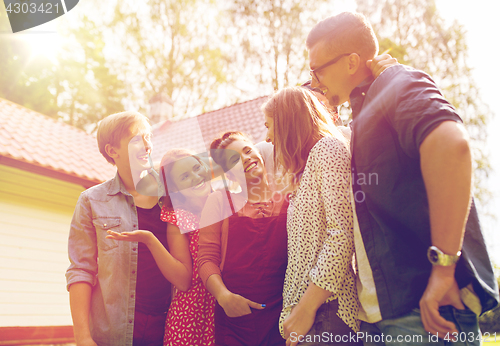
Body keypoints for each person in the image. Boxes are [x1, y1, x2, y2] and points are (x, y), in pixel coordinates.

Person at [305, 11, 499, 345]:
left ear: (351, 62)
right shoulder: (367, 110)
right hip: (391, 316)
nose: (314, 79)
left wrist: (443, 268)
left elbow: (452, 147)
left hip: (424, 313)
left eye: (317, 68)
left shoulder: (396, 81)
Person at [66, 111, 192, 346]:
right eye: (137, 139)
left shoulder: (173, 196)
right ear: (112, 151)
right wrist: (82, 337)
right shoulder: (91, 201)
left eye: (148, 137)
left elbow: (185, 278)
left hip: (167, 329)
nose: (147, 145)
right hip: (111, 331)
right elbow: (81, 270)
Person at [262, 87, 361, 346]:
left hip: (327, 311)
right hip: (310, 316)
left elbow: (341, 235)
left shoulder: (328, 149)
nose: (268, 137)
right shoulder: (304, 171)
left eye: (269, 126)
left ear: (288, 123)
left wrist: (306, 309)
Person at [107, 148, 216, 346]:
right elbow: (183, 281)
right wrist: (150, 240)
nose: (195, 177)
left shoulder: (227, 206)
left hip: (226, 312)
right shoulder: (179, 218)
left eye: (196, 168)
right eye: (184, 176)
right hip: (191, 319)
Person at [198, 131, 289, 346]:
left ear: (259, 152)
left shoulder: (290, 198)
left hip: (285, 315)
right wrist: (224, 297)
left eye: (248, 151)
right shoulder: (218, 201)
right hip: (235, 320)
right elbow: (206, 259)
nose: (246, 159)